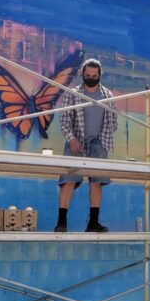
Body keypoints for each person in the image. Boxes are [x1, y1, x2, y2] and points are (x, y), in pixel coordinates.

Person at [54, 58, 117, 232]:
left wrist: (105, 137)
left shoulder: (108, 96)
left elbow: (114, 121)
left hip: (99, 143)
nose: (90, 78)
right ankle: (61, 223)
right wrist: (71, 139)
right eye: (87, 75)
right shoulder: (73, 93)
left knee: (96, 182)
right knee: (68, 181)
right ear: (82, 74)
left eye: (94, 76)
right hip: (76, 141)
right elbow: (64, 120)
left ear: (100, 75)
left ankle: (93, 223)